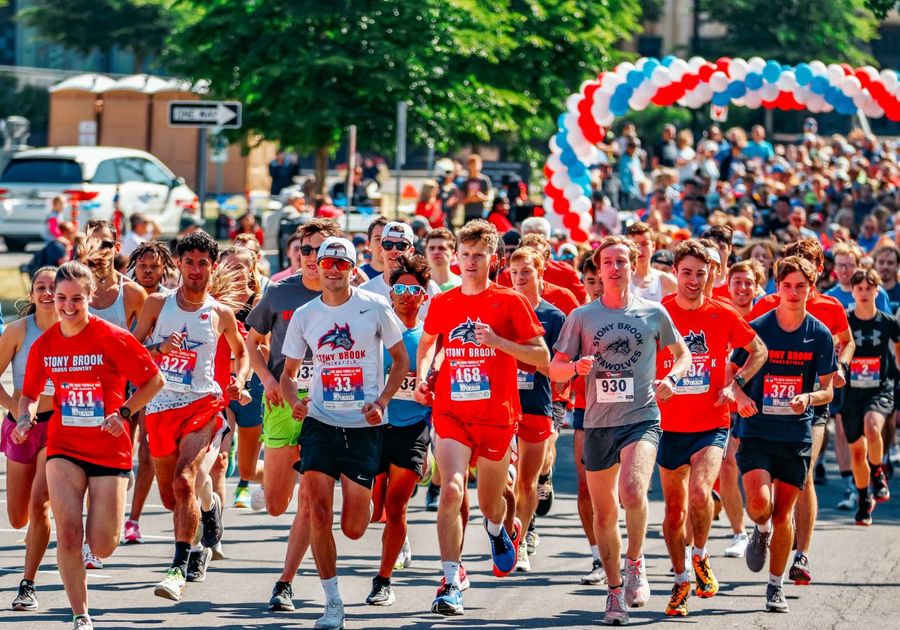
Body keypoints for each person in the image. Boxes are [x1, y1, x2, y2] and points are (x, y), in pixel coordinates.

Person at [550, 235, 691, 625]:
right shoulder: (581, 316)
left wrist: (673, 380)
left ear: (633, 266)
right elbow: (554, 367)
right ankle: (614, 592)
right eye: (607, 262)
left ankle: (636, 562)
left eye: (622, 261)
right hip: (597, 423)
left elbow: (682, 354)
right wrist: (573, 368)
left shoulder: (652, 312)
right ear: (598, 269)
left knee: (632, 489)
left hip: (642, 416)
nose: (615, 268)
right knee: (604, 510)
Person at [14, 261, 163, 630]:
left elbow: (154, 381)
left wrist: (124, 413)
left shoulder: (112, 337)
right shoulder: (46, 344)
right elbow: (29, 393)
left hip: (109, 448)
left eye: (76, 298)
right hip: (64, 445)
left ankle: (97, 545)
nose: (66, 305)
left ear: (90, 297)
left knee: (103, 545)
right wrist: (24, 417)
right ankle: (81, 614)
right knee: (67, 532)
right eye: (60, 297)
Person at [415, 220, 549, 616]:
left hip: (497, 417)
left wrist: (498, 342)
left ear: (494, 260)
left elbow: (541, 358)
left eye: (479, 255)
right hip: (452, 413)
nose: (470, 262)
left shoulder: (510, 301)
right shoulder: (444, 302)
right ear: (456, 256)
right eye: (465, 254)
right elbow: (426, 346)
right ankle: (451, 579)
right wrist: (423, 377)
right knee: (453, 489)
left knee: (492, 506)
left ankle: (496, 531)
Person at [279, 236, 408, 630]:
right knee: (316, 509)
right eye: (326, 262)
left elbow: (401, 359)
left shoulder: (375, 306)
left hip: (364, 426)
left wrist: (383, 401)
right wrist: (294, 402)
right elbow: (287, 375)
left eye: (341, 263)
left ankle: (364, 509)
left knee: (354, 527)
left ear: (353, 268)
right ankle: (332, 602)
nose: (333, 269)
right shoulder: (304, 314)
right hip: (319, 422)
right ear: (317, 266)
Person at [132, 230, 249, 602]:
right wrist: (158, 347)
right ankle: (209, 510)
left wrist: (238, 380)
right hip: (161, 405)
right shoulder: (157, 304)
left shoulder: (220, 313)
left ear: (212, 267)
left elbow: (241, 353)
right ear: (178, 265)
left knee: (185, 481)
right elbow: (131, 350)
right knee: (172, 497)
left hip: (203, 403)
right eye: (189, 262)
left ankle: (178, 568)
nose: (195, 270)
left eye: (202, 263)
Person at [657, 240, 767, 617]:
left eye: (700, 274)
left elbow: (759, 350)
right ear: (675, 273)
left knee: (701, 494)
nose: (692, 280)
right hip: (667, 424)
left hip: (711, 422)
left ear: (711, 276)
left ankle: (700, 556)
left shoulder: (721, 313)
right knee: (673, 512)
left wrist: (734, 384)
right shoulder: (659, 313)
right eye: (686, 272)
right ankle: (680, 579)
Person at [244, 220, 340, 611]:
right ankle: (264, 476)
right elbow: (253, 341)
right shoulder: (280, 293)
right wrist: (266, 378)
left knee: (310, 499)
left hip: (330, 405)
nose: (313, 258)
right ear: (296, 253)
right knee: (276, 504)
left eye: (321, 250)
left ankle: (285, 582)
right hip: (285, 400)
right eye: (306, 250)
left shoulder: (350, 294)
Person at [731, 256, 836, 613]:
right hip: (758, 431)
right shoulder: (757, 327)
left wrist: (808, 397)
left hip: (795, 434)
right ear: (777, 288)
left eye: (800, 286)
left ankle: (775, 586)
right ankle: (758, 531)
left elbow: (828, 392)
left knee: (784, 514)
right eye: (787, 285)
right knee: (760, 504)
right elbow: (731, 376)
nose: (793, 292)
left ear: (810, 288)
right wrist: (742, 395)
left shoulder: (819, 334)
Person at [748, 238, 855, 585]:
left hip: (811, 403)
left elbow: (848, 340)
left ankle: (801, 552)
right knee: (766, 492)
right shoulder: (768, 304)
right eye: (791, 263)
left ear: (817, 273)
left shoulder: (830, 308)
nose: (795, 288)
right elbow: (747, 347)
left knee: (804, 473)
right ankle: (769, 527)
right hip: (766, 412)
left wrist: (841, 366)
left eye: (806, 263)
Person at [365, 255, 433, 606]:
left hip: (412, 428)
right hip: (373, 427)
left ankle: (383, 579)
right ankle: (374, 490)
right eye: (401, 288)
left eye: (415, 289)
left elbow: (438, 383)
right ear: (390, 294)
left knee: (396, 507)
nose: (407, 294)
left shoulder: (428, 339)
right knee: (368, 512)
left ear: (424, 296)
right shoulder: (374, 334)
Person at [0, 268, 58, 611]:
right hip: (20, 426)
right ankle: (32, 533)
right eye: (41, 287)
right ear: (32, 293)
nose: (49, 293)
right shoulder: (18, 330)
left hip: (60, 427)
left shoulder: (76, 329)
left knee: (41, 504)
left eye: (55, 287)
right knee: (18, 517)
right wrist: (16, 409)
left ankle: (27, 583)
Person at [507, 247, 565, 573]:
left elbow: (555, 368)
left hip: (536, 404)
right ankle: (506, 530)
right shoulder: (501, 310)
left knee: (526, 482)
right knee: (504, 480)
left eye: (526, 272)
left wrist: (528, 356)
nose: (519, 279)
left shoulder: (554, 318)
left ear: (540, 273)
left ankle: (523, 537)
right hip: (501, 406)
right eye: (514, 274)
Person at [843, 269, 899, 525]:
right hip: (852, 392)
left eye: (869, 288)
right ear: (853, 291)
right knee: (856, 452)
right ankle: (864, 498)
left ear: (877, 291)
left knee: (873, 426)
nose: (864, 293)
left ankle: (877, 471)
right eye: (859, 288)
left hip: (881, 387)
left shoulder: (888, 322)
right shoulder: (844, 322)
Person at [361, 221, 441, 318]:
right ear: (381, 250)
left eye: (401, 246)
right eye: (388, 245)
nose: (394, 250)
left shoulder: (428, 288)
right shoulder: (365, 290)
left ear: (411, 251)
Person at [82, 220, 147, 333]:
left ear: (117, 248)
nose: (98, 250)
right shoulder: (71, 289)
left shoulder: (132, 291)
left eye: (105, 245)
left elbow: (150, 340)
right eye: (91, 244)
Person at [826, 243, 892, 312]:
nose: (844, 270)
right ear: (834, 268)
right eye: (840, 265)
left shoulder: (875, 292)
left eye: (849, 265)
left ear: (858, 266)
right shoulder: (828, 298)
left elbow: (887, 321)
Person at [627, 222, 677, 301]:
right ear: (628, 248)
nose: (640, 250)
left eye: (644, 244)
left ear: (653, 246)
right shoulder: (621, 281)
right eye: (635, 244)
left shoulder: (667, 282)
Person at [461, 154, 492, 223]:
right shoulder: (465, 181)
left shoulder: (484, 180)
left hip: (481, 215)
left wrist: (480, 196)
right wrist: (470, 198)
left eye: (476, 164)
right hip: (468, 215)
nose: (474, 167)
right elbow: (462, 201)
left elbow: (488, 198)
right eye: (472, 164)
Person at [872, 244, 900, 313]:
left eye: (890, 263)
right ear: (875, 264)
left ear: (897, 266)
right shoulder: (867, 291)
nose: (885, 266)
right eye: (881, 262)